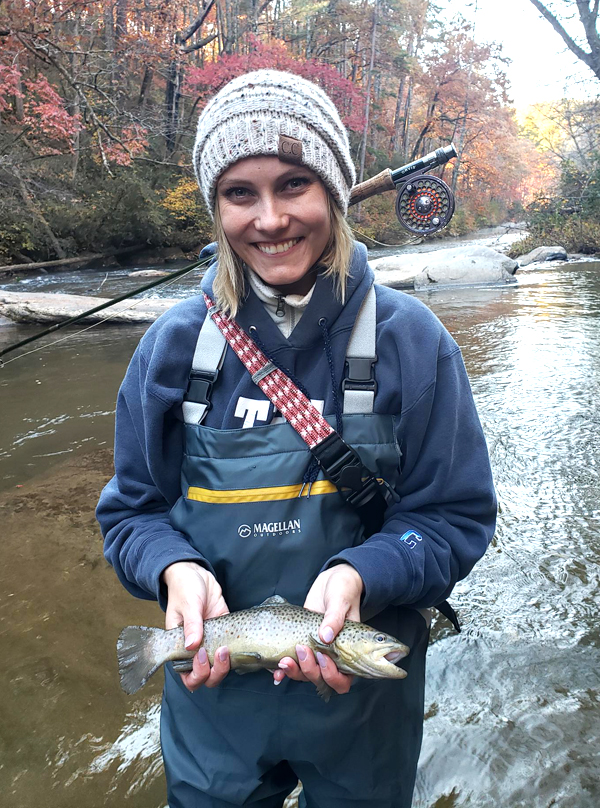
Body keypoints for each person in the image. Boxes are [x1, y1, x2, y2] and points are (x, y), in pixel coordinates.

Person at [97, 69, 497, 808]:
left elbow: (454, 520)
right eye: (240, 193)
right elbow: (130, 516)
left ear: (336, 196)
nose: (270, 219)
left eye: (294, 185)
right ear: (216, 208)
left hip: (360, 713)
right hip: (211, 694)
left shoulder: (413, 342)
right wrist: (171, 571)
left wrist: (363, 575)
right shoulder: (173, 348)